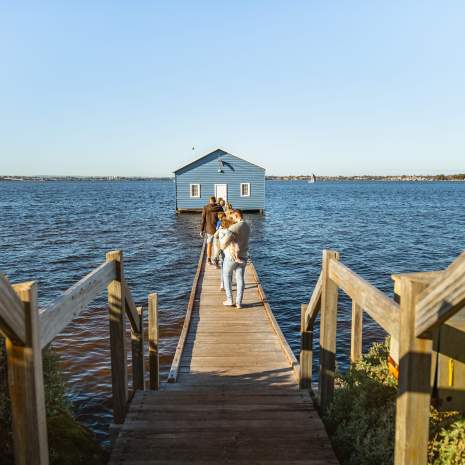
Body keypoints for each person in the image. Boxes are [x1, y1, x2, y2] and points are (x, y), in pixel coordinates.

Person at [220, 209, 250, 309]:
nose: (232, 219)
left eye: (232, 217)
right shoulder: (247, 226)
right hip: (244, 255)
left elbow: (224, 243)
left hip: (231, 257)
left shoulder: (234, 227)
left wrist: (222, 246)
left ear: (237, 216)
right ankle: (239, 303)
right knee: (240, 279)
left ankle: (229, 300)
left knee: (227, 276)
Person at [200, 196, 222, 265]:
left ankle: (209, 259)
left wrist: (201, 230)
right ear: (215, 201)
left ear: (209, 201)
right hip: (217, 229)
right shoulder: (219, 208)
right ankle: (216, 259)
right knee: (216, 245)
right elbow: (223, 218)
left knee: (209, 245)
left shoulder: (206, 208)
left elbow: (203, 220)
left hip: (209, 229)